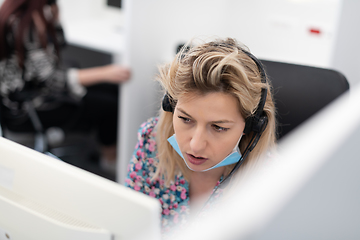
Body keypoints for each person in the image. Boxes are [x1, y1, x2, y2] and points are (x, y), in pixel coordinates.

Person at [125, 38, 276, 235]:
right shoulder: (151, 141)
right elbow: (128, 222)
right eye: (186, 119)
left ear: (252, 126)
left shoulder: (270, 179)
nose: (195, 146)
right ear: (171, 107)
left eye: (218, 127)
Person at [0, 0, 130, 170]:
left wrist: (54, 15)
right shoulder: (25, 21)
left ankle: (108, 155)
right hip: (28, 106)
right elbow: (53, 80)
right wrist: (105, 73)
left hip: (30, 94)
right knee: (109, 105)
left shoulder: (21, 11)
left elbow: (59, 42)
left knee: (111, 90)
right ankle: (110, 164)